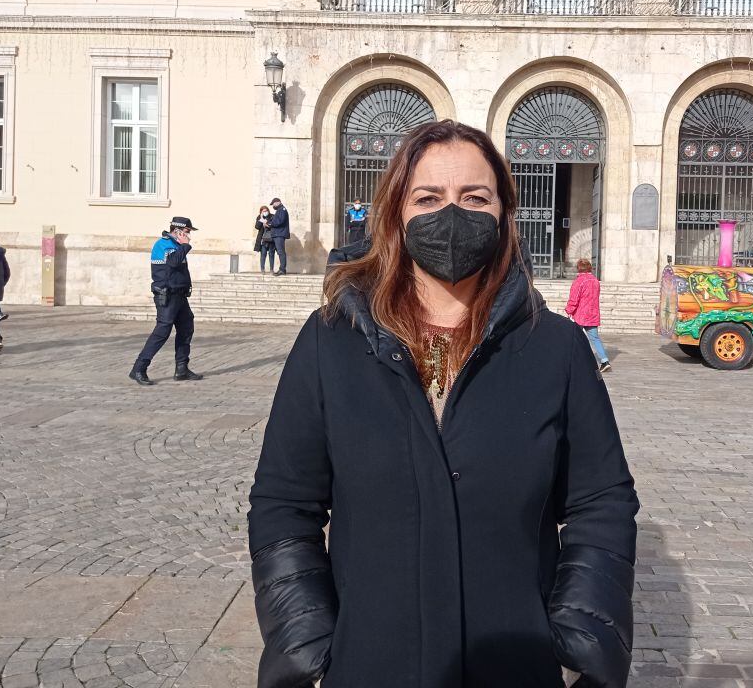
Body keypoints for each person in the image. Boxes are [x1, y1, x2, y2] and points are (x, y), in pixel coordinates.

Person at [248, 120, 639, 688]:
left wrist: (583, 637)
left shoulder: (555, 347)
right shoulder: (332, 339)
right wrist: (307, 640)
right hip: (369, 662)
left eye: (474, 197)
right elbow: (284, 503)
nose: (450, 215)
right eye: (428, 197)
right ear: (396, 215)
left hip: (512, 662)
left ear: (505, 213)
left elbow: (601, 502)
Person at [129, 217, 203, 385]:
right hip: (167, 296)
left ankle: (182, 368)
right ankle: (139, 368)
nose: (189, 235)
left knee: (186, 328)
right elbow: (174, 262)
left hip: (180, 296)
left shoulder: (176, 246)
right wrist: (185, 246)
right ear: (177, 231)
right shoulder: (164, 244)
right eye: (187, 232)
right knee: (162, 332)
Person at [565, 258, 611, 373]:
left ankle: (574, 362)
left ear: (579, 268)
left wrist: (569, 310)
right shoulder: (595, 281)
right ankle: (604, 361)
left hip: (580, 315)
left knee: (574, 339)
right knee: (595, 338)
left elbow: (574, 299)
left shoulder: (579, 282)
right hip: (593, 314)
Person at [268, 197, 290, 276]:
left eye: (273, 204)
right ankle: (281, 269)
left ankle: (282, 270)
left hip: (279, 234)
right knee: (278, 252)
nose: (273, 206)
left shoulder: (282, 210)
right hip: (276, 234)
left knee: (281, 252)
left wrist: (270, 224)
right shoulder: (279, 210)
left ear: (278, 202)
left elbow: (280, 221)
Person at [254, 205, 276, 273]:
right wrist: (261, 219)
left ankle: (271, 269)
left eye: (266, 211)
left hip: (271, 239)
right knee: (263, 254)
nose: (265, 212)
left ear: (268, 211)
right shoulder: (259, 217)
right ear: (261, 212)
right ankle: (262, 269)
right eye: (263, 211)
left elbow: (275, 225)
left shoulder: (272, 216)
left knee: (271, 254)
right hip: (263, 239)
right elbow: (257, 227)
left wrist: (267, 225)